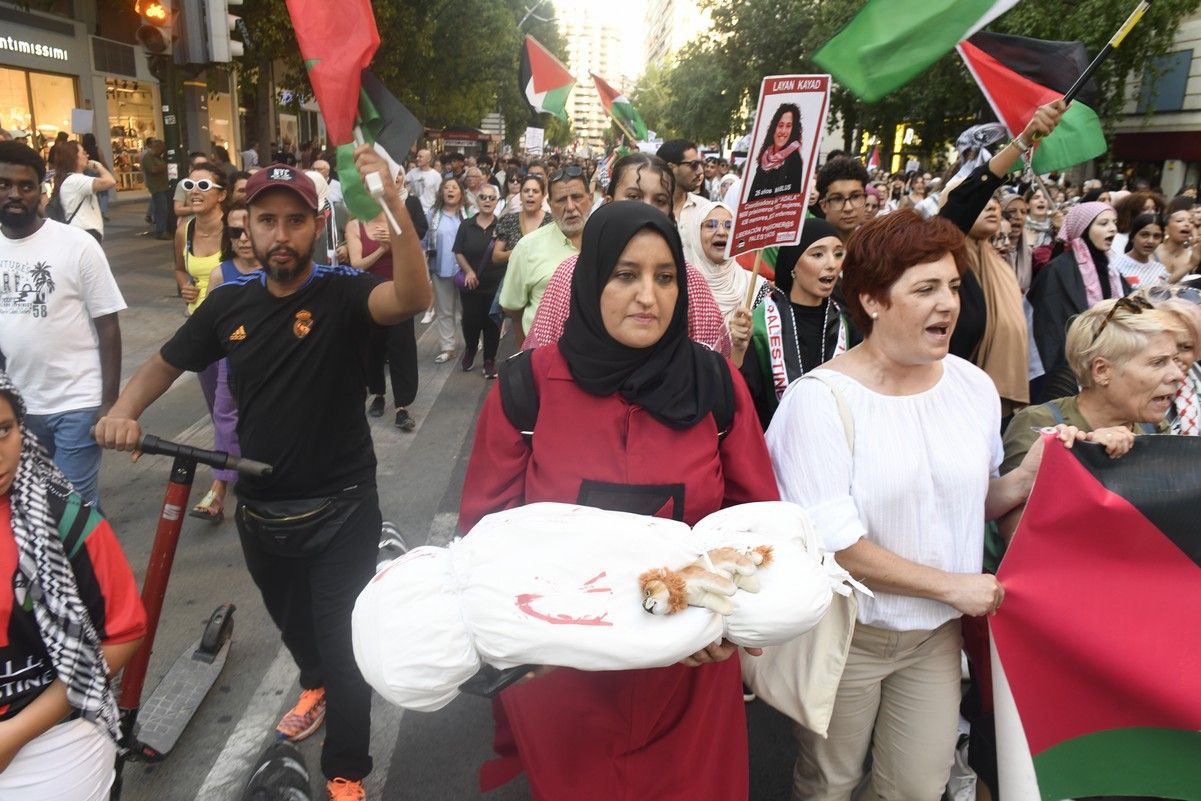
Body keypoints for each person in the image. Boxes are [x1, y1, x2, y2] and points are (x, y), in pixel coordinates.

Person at [96, 153, 431, 799]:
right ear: (245, 223)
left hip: (341, 508)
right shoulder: (226, 305)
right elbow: (164, 364)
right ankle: (313, 684)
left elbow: (412, 297)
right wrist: (122, 411)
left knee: (343, 645)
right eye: (267, 218)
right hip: (261, 510)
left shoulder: (342, 293)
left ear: (316, 224)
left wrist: (395, 209)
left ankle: (345, 771)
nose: (281, 233)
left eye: (295, 220)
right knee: (298, 629)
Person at [459, 201, 777, 801]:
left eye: (665, 278)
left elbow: (756, 525)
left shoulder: (715, 384)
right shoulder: (525, 391)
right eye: (626, 275)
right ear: (590, 278)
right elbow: (484, 539)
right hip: (567, 684)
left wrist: (728, 621)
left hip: (690, 677)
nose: (648, 297)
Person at [766, 208, 1080, 801]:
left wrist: (1025, 477)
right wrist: (954, 587)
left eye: (955, 287)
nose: (948, 304)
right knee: (828, 784)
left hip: (934, 638)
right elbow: (837, 546)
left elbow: (967, 503)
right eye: (926, 288)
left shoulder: (972, 386)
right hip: (846, 637)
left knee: (917, 786)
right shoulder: (818, 403)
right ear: (874, 300)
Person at [0, 373, 146, 801]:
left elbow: (122, 634)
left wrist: (13, 735)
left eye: (3, 430)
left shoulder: (64, 519)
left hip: (51, 740)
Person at [0, 141, 125, 506]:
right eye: (4, 184)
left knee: (70, 504)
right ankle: (100, 561)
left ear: (42, 190)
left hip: (78, 402)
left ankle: (86, 560)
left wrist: (110, 403)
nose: (14, 194)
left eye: (26, 185)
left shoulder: (78, 245)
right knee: (49, 504)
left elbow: (108, 325)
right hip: (21, 405)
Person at [999, 297, 1185, 538]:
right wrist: (1088, 455)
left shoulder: (1154, 429)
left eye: (1175, 360)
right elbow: (1022, 540)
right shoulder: (1039, 424)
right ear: (1102, 371)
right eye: (1158, 362)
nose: (1177, 374)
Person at [523, 153, 732, 357]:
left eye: (659, 200)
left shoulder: (690, 281)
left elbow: (712, 361)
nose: (646, 209)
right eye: (634, 197)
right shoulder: (571, 275)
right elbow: (541, 360)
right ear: (609, 201)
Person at [741, 219, 853, 429]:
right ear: (793, 265)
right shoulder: (759, 325)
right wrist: (738, 350)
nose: (832, 264)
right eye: (818, 254)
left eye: (838, 253)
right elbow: (744, 403)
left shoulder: (846, 321)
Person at [1029, 202, 1127, 385]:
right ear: (1083, 228)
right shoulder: (1057, 270)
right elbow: (1049, 330)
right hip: (1069, 374)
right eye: (1103, 223)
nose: (1113, 228)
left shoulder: (1113, 271)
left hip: (1108, 366)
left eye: (1114, 222)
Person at [346, 204, 421, 432]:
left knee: (402, 350)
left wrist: (396, 243)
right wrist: (381, 248)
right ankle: (378, 393)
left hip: (398, 294)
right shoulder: (354, 225)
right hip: (368, 296)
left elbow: (413, 257)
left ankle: (402, 406)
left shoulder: (398, 222)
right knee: (372, 349)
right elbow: (356, 264)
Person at [500, 167, 593, 344]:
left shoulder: (606, 240)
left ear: (590, 198)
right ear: (549, 204)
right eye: (561, 200)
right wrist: (526, 356)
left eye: (577, 197)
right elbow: (513, 310)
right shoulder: (527, 247)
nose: (570, 207)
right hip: (542, 358)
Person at [679, 198, 768, 365]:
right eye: (711, 225)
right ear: (696, 234)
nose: (721, 232)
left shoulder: (755, 285)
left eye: (729, 226)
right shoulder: (683, 283)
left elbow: (760, 348)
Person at [453, 183, 501, 377]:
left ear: (497, 202)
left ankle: (489, 360)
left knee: (492, 323)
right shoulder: (466, 225)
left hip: (494, 283)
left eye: (491, 198)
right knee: (470, 321)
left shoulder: (502, 225)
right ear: (476, 200)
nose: (487, 201)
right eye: (483, 197)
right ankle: (471, 349)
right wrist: (469, 271)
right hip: (471, 284)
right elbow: (458, 251)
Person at [426, 177, 469, 363]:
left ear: (461, 192)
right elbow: (423, 242)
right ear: (441, 192)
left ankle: (472, 341)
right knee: (444, 310)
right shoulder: (432, 214)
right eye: (446, 187)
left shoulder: (469, 214)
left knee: (467, 309)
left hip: (465, 269)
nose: (450, 190)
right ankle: (447, 347)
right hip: (440, 268)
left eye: (454, 187)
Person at [1150, 290, 1201, 435]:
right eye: (1166, 347)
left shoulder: (1197, 378)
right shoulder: (1135, 389)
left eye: (1186, 347)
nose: (1175, 356)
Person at [51, 141, 116, 243]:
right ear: (74, 157)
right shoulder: (75, 180)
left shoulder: (73, 179)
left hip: (83, 233)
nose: (87, 156)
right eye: (83, 153)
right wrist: (98, 166)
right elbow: (110, 181)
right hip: (84, 233)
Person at [747, 103, 804, 200]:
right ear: (774, 128)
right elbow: (752, 197)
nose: (783, 131)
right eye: (780, 125)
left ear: (793, 130)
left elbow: (793, 198)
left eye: (788, 126)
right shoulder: (764, 159)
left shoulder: (794, 160)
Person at [493, 174, 552, 265]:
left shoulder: (552, 222)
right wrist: (518, 252)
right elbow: (496, 257)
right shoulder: (509, 220)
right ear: (520, 196)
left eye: (535, 191)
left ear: (543, 196)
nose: (530, 194)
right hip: (514, 276)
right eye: (526, 191)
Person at [816, 157, 871, 243]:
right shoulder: (807, 249)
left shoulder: (875, 249)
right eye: (837, 199)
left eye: (855, 196)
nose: (848, 208)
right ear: (823, 205)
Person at [1112, 213, 1169, 289]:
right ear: (1132, 237)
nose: (1150, 241)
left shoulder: (1160, 270)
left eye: (1156, 236)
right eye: (1144, 235)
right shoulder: (1116, 266)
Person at [1153, 198, 1201, 282]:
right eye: (1180, 221)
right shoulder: (1153, 250)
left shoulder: (1193, 256)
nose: (1187, 224)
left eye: (1191, 222)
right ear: (1166, 228)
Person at [657, 138, 705, 220]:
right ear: (671, 168)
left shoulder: (705, 209)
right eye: (694, 165)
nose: (700, 171)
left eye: (701, 164)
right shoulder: (648, 208)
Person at [140, 138, 172, 240]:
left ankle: (163, 229)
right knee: (161, 209)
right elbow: (153, 170)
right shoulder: (148, 157)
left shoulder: (159, 157)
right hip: (157, 187)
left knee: (164, 209)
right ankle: (160, 231)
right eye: (161, 148)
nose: (163, 150)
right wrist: (167, 165)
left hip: (164, 186)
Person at [80, 133, 111, 221]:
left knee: (91, 193)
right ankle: (103, 210)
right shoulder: (97, 150)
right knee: (104, 192)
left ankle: (92, 211)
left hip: (86, 173)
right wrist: (108, 170)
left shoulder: (83, 151)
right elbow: (102, 161)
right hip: (97, 171)